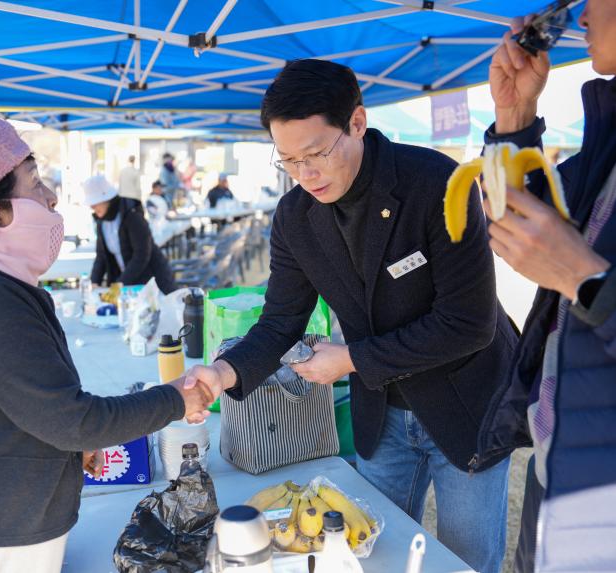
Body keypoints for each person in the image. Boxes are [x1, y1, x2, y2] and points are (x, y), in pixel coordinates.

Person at [183, 59, 518, 573]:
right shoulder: (295, 216)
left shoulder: (435, 184)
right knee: (366, 553)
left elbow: (469, 324)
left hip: (468, 404)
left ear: (357, 123)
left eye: (316, 154)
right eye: (289, 161)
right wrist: (223, 371)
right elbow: (280, 322)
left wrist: (353, 360)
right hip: (381, 413)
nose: (305, 174)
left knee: (466, 561)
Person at [0, 116, 213, 572]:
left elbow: (31, 408)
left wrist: (69, 446)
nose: (51, 197)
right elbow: (74, 420)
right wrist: (176, 398)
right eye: (34, 182)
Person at [475, 4, 616, 571]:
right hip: (558, 471)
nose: (580, 14)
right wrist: (513, 116)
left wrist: (585, 280)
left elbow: (582, 278)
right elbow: (509, 213)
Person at [85, 174, 177, 294]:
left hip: (153, 281)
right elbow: (101, 256)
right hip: (128, 285)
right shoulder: (101, 222)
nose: (93, 207)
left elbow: (142, 254)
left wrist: (120, 284)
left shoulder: (132, 215)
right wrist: (94, 282)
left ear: (107, 200)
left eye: (95, 203)